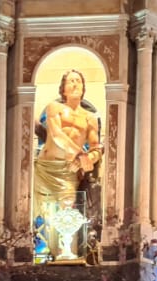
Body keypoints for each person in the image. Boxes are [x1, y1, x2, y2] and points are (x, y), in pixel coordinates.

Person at [33, 68, 102, 262]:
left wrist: (92, 158)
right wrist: (81, 155)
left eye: (78, 81)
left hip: (68, 170)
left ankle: (66, 254)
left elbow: (96, 147)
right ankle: (44, 252)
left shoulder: (90, 118)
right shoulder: (54, 108)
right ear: (63, 89)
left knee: (67, 210)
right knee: (43, 213)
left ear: (83, 88)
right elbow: (56, 136)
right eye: (70, 81)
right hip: (47, 167)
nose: (74, 84)